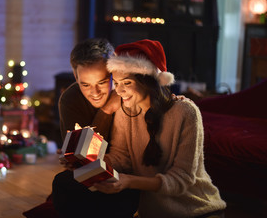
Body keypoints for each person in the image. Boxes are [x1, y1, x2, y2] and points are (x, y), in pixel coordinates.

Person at [93, 39, 227, 218]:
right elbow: (122, 157)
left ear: (148, 81)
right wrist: (89, 162)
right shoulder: (125, 111)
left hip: (197, 210)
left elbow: (182, 179)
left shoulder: (186, 112)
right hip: (152, 212)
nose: (119, 91)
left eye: (126, 83)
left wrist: (129, 181)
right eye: (116, 83)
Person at [52, 38, 140, 218]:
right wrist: (106, 110)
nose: (95, 92)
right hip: (95, 170)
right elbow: (84, 157)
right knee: (62, 184)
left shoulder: (128, 91)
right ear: (76, 78)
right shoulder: (71, 99)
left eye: (101, 82)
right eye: (85, 84)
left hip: (130, 172)